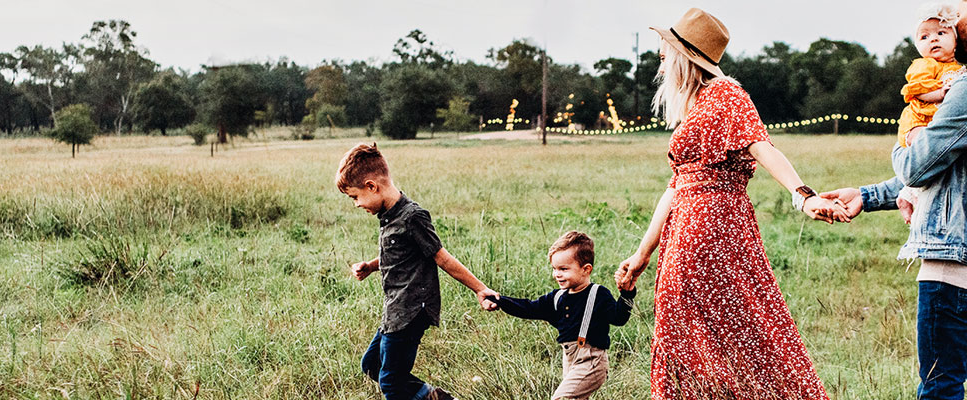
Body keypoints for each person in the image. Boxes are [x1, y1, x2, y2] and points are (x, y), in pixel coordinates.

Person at [613, 8, 840, 400]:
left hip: (712, 231)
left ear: (686, 55)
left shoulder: (725, 93)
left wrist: (802, 195)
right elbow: (675, 186)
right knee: (719, 334)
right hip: (688, 233)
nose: (660, 59)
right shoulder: (696, 104)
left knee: (745, 332)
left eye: (665, 51)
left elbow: (763, 148)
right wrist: (642, 254)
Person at [821, 1, 967, 399]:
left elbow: (917, 168)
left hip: (957, 269)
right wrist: (867, 196)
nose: (950, 22)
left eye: (957, 12)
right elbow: (951, 170)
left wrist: (908, 133)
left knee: (940, 389)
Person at [337, 143, 501, 400]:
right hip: (394, 309)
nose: (356, 204)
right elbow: (400, 253)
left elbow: (442, 258)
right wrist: (371, 266)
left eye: (355, 197)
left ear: (371, 186)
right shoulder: (389, 215)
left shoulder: (413, 216)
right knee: (372, 365)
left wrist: (480, 289)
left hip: (412, 309)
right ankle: (436, 398)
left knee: (391, 382)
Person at [486, 231, 635, 400]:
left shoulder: (598, 294)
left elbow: (619, 318)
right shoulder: (557, 298)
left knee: (561, 398)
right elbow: (529, 308)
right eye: (554, 269)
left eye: (564, 269)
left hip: (592, 361)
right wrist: (500, 301)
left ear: (586, 269)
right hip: (569, 360)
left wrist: (627, 294)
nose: (557, 274)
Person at [896, 2, 967, 223]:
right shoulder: (925, 65)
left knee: (938, 160)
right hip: (918, 120)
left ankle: (909, 195)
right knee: (925, 152)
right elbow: (916, 90)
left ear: (955, 40)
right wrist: (940, 93)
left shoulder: (958, 67)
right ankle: (910, 195)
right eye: (924, 37)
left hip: (934, 121)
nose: (933, 39)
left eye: (941, 33)